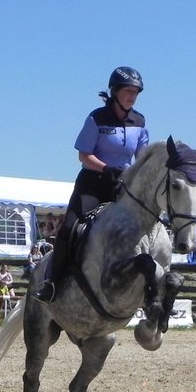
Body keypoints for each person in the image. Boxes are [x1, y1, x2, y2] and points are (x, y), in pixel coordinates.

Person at [35, 66, 150, 302]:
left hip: (121, 188)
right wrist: (106, 168)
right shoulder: (96, 117)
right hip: (93, 184)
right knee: (69, 228)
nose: (132, 96)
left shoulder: (140, 121)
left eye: (136, 92)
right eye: (128, 91)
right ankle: (52, 282)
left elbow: (142, 157)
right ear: (115, 91)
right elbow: (84, 155)